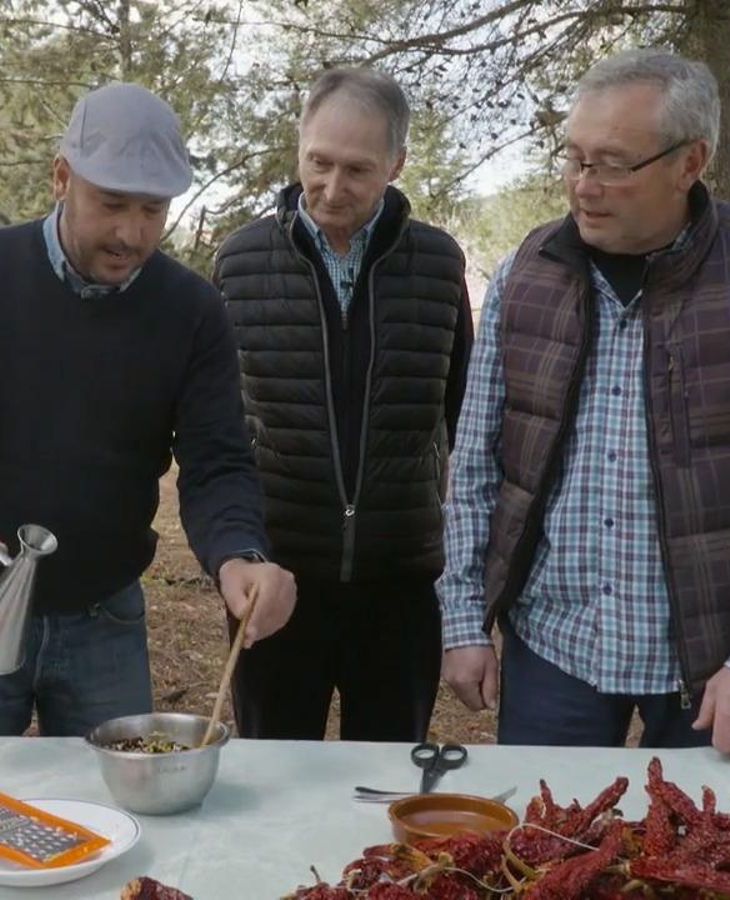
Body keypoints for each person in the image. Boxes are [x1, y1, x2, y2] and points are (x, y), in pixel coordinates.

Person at [437, 49, 730, 778]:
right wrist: (461, 620)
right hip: (553, 650)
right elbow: (477, 460)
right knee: (547, 867)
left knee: (715, 874)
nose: (582, 185)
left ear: (689, 162)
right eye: (572, 158)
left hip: (721, 662)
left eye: (610, 164)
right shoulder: (525, 271)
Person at [0, 82, 297, 738]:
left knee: (116, 814)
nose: (130, 233)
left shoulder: (192, 312)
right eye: (111, 204)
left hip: (104, 618)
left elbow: (218, 462)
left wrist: (239, 552)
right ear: (62, 178)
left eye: (152, 210)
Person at [214, 67, 474, 741]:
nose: (331, 188)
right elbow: (214, 433)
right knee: (273, 786)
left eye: (357, 170)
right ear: (298, 144)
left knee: (387, 793)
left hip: (401, 585)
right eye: (318, 163)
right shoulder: (240, 262)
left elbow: (465, 421)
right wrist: (237, 550)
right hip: (275, 583)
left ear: (397, 163)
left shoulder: (440, 265)